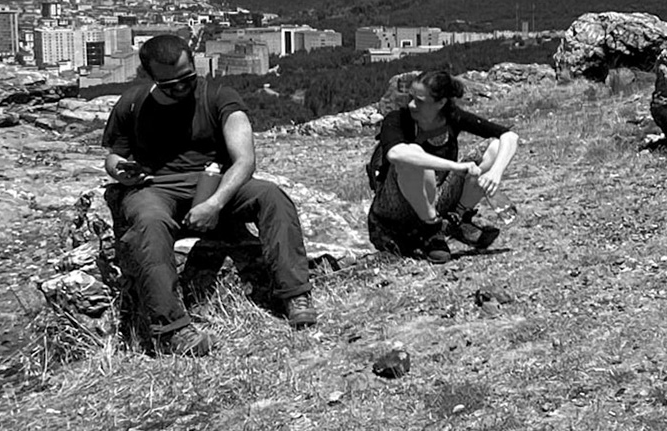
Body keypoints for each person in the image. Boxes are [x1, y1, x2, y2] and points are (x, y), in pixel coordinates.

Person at [102, 34, 316, 354]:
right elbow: (113, 156)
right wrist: (120, 170)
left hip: (215, 182)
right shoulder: (132, 104)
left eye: (187, 79)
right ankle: (172, 329)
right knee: (148, 223)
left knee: (272, 196)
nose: (180, 89)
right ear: (150, 78)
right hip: (154, 186)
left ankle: (294, 293)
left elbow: (244, 161)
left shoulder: (219, 96)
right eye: (169, 85)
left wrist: (215, 204)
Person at [366, 70, 519, 262]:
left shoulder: (453, 117)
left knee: (494, 148)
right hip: (395, 206)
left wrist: (496, 173)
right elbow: (396, 154)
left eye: (420, 101)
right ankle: (432, 228)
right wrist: (455, 167)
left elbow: (509, 137)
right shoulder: (397, 119)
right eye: (411, 98)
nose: (412, 104)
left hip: (436, 195)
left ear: (441, 103)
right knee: (412, 155)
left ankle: (456, 219)